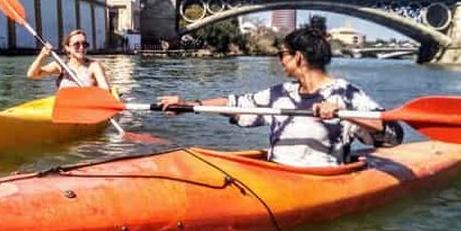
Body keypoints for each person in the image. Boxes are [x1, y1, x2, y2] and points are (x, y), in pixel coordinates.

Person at [158, 21, 403, 167]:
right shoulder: (280, 94)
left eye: (282, 54)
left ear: (298, 57)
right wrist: (189, 105)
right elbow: (237, 104)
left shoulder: (347, 94)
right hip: (277, 177)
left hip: (323, 182)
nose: (279, 61)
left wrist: (345, 115)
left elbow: (393, 136)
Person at [27, 29, 111, 90]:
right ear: (67, 48)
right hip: (65, 107)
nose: (81, 48)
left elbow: (106, 90)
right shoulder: (61, 65)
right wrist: (42, 56)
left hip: (86, 108)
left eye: (84, 44)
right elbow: (32, 75)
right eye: (76, 44)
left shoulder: (94, 66)